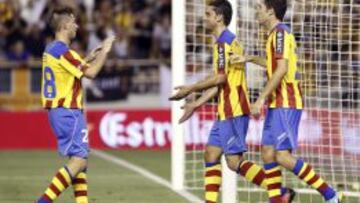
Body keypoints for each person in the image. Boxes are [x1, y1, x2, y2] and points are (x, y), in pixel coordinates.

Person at [170, 1, 293, 202]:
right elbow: (220, 81)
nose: (204, 17)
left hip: (234, 109)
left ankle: (279, 192)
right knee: (210, 153)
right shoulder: (226, 40)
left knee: (234, 162)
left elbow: (219, 79)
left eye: (208, 14)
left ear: (218, 17)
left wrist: (191, 88)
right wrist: (196, 103)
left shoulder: (223, 43)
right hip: (225, 109)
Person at [231, 0, 342, 202]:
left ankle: (331, 195)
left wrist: (260, 99)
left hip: (287, 101)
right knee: (267, 153)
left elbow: (281, 70)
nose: (257, 12)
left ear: (271, 11)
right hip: (277, 103)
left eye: (259, 9)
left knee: (282, 156)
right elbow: (273, 64)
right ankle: (276, 200)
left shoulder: (280, 33)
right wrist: (248, 58)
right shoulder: (273, 35)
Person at [36, 7, 114, 203]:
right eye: (73, 23)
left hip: (61, 111)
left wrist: (88, 57)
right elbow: (92, 73)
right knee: (79, 160)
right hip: (68, 112)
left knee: (81, 162)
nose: (77, 26)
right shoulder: (64, 52)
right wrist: (104, 51)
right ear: (64, 26)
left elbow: (72, 67)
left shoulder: (52, 49)